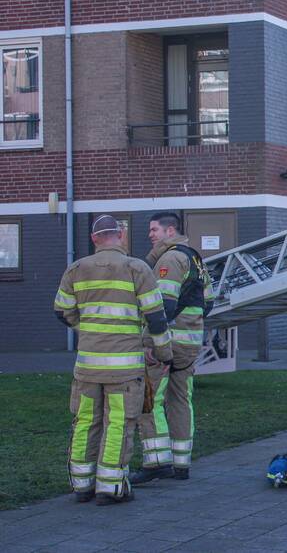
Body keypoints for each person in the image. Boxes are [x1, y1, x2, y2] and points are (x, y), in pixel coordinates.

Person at [54, 215, 172, 505]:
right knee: (118, 423)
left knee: (85, 422)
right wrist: (165, 353)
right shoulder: (137, 268)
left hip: (87, 367)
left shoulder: (76, 269)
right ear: (121, 235)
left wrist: (86, 329)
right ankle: (111, 487)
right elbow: (156, 319)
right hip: (124, 368)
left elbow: (61, 310)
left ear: (94, 239)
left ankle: (82, 484)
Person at [131, 212, 213, 484]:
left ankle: (156, 462)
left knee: (149, 399)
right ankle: (181, 463)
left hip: (166, 342)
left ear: (170, 231)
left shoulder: (169, 259)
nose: (150, 235)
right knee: (181, 399)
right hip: (190, 344)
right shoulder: (195, 259)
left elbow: (162, 307)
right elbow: (208, 303)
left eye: (154, 230)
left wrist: (153, 342)